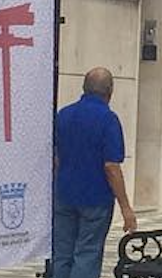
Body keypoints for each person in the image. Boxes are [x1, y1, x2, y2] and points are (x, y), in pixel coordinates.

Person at [53, 67, 137, 278]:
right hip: (95, 198)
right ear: (110, 91)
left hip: (63, 194)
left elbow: (55, 157)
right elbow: (111, 167)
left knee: (62, 254)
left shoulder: (63, 114)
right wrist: (125, 207)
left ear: (84, 87)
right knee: (87, 254)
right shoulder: (108, 120)